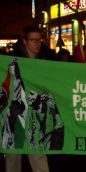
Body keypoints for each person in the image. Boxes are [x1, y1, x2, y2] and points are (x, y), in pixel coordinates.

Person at [6, 24, 52, 172]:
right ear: (25, 41)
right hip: (14, 113)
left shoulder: (48, 58)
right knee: (13, 155)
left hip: (36, 113)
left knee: (38, 153)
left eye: (39, 40)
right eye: (33, 40)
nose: (38, 43)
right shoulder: (10, 59)